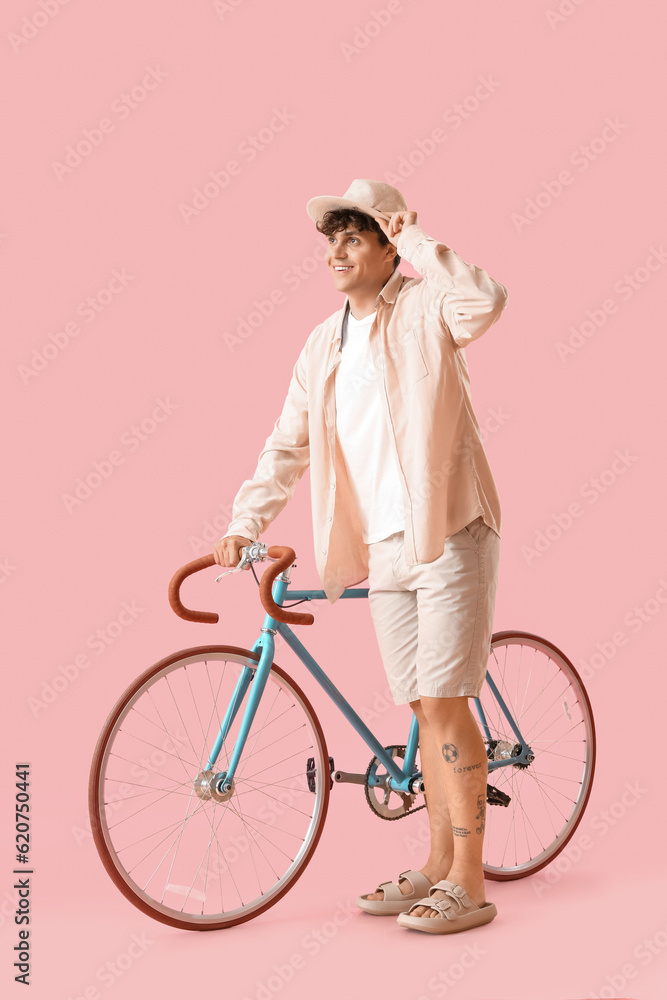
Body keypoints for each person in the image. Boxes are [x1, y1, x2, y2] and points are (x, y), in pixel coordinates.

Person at [213, 178, 508, 934]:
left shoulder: (425, 305)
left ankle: (469, 884)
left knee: (443, 702)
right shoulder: (324, 343)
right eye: (332, 239)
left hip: (447, 527)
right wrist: (246, 519)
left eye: (356, 236)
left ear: (386, 246)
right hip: (382, 546)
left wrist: (415, 241)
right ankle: (438, 865)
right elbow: (289, 441)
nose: (338, 251)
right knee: (418, 705)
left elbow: (485, 300)